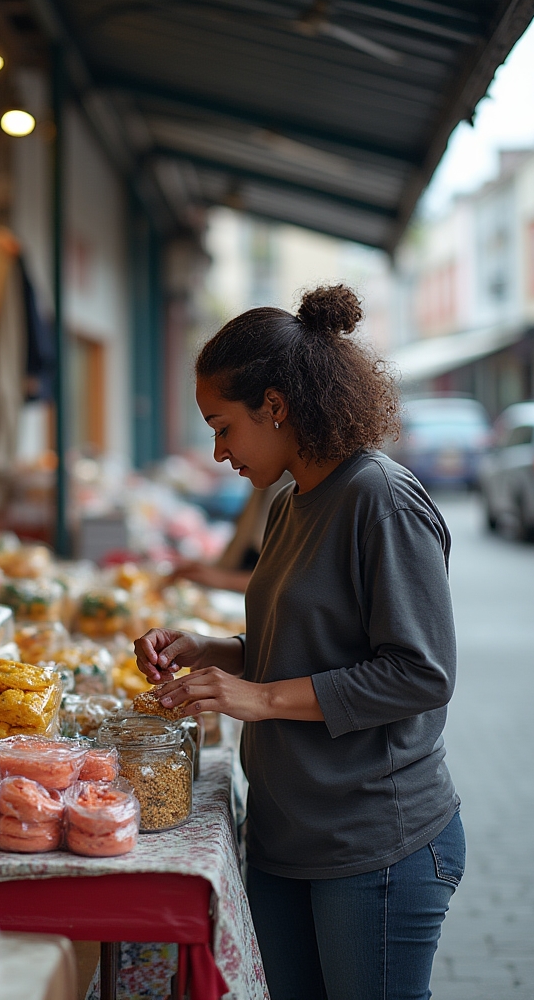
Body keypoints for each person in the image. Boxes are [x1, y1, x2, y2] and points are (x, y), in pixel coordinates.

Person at [135, 285, 464, 1000]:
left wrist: (258, 697)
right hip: (288, 835)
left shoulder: (380, 498)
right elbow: (309, 644)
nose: (218, 452)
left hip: (374, 844)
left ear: (276, 407)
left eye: (223, 428)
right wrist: (211, 647)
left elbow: (420, 673)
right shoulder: (289, 502)